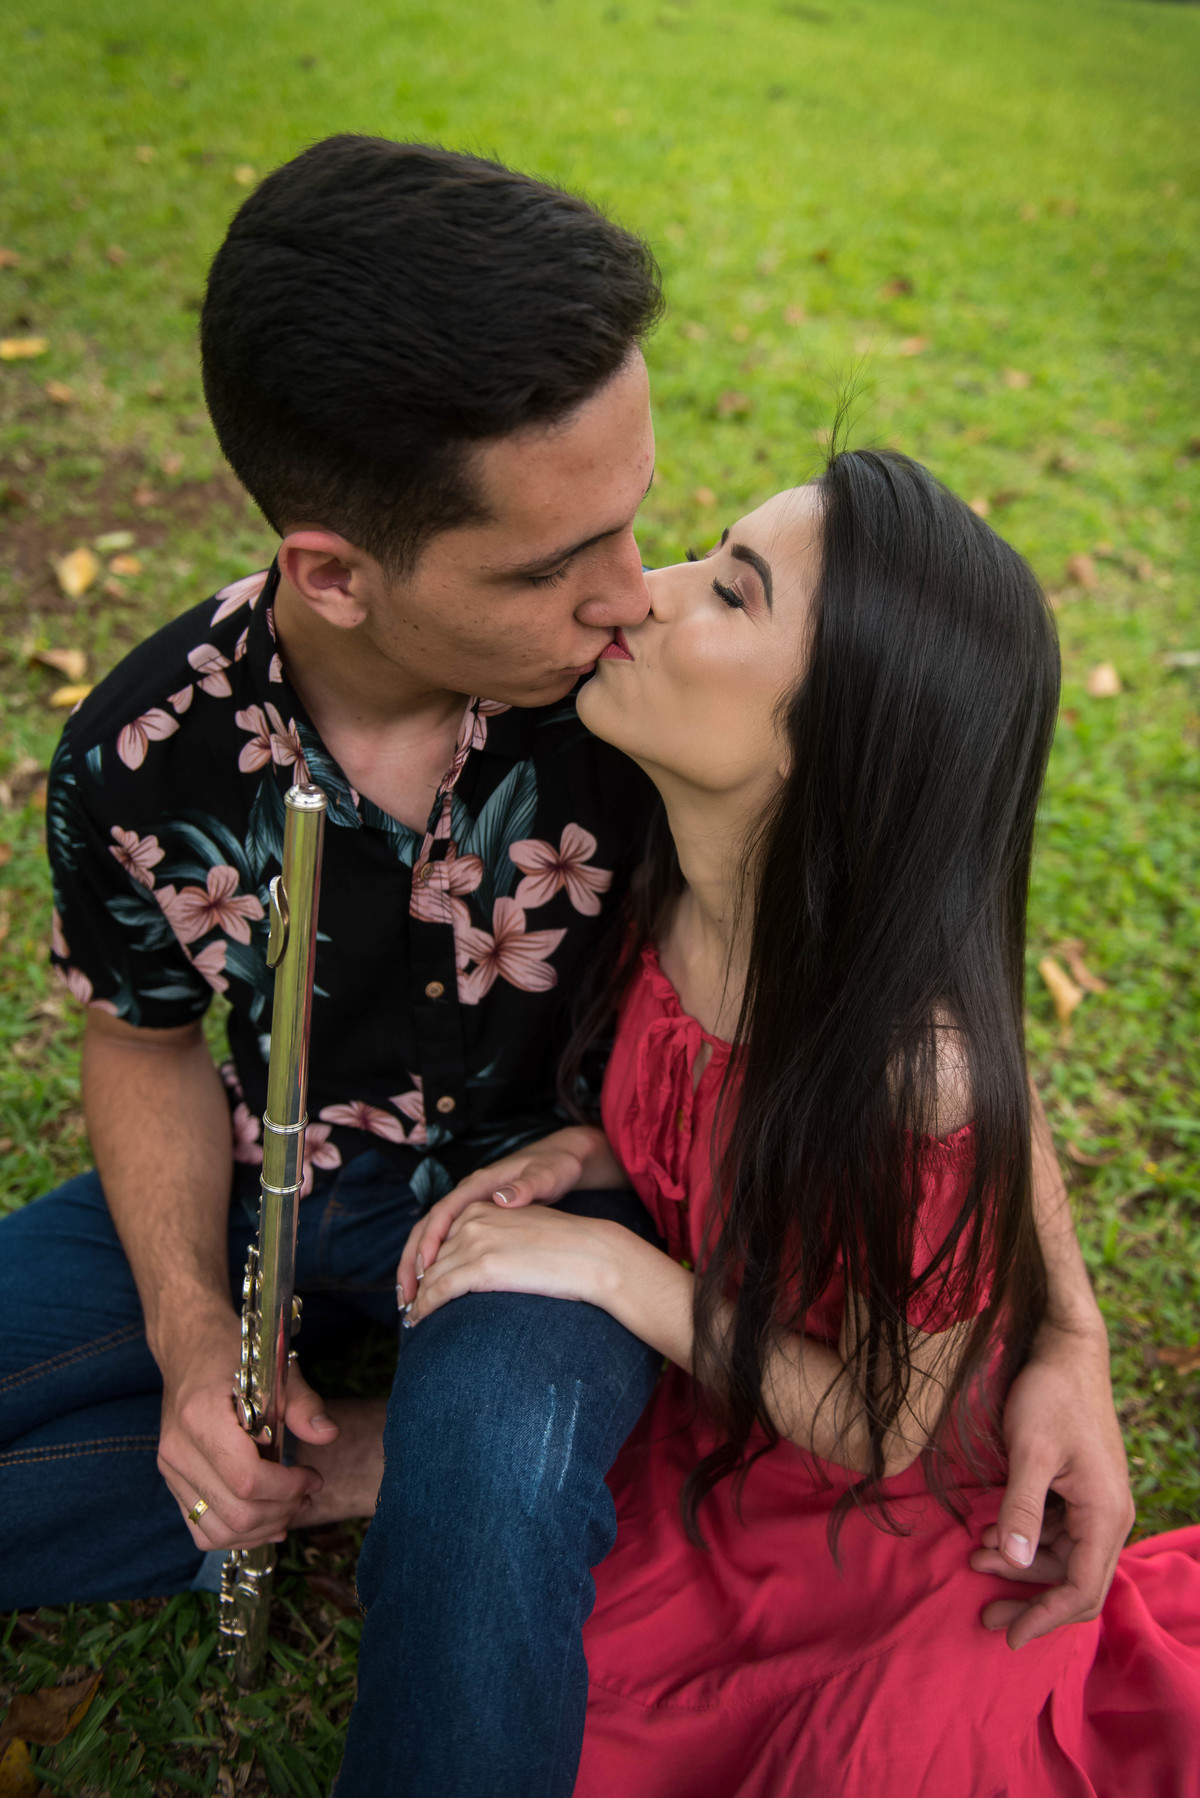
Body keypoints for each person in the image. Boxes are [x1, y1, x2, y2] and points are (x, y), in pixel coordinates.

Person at [0, 136, 1127, 1797]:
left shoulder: (649, 708)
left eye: (639, 522)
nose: (628, 595)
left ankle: (419, 1480)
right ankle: (303, 1472)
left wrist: (1069, 1335)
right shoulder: (143, 759)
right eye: (552, 565)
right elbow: (146, 1038)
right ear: (335, 573)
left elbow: (919, 958)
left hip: (564, 1213)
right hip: (272, 1173)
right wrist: (188, 1343)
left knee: (496, 1489)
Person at [400, 453, 1200, 1795]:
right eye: (706, 553)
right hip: (720, 1431)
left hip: (879, 1517)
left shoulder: (914, 1076)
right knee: (518, 1665)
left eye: (730, 593)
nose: (642, 593)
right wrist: (594, 1151)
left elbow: (883, 1426)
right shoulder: (668, 870)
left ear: (829, 748)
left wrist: (613, 1265)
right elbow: (710, 1125)